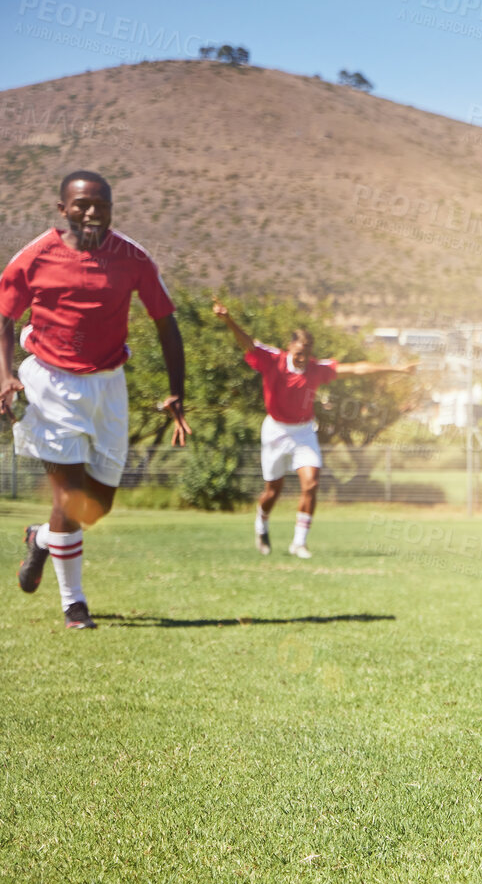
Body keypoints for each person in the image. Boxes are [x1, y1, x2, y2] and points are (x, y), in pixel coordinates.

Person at [2, 170, 189, 629]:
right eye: (81, 204)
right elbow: (4, 316)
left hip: (108, 384)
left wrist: (177, 391)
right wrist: (4, 374)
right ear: (63, 208)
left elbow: (166, 322)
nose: (90, 212)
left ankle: (42, 539)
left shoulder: (133, 258)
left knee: (96, 505)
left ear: (110, 208)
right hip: (50, 382)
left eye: (99, 204)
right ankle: (74, 605)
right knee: (69, 499)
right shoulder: (35, 257)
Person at [214, 299, 415, 558]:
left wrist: (397, 368)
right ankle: (261, 523)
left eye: (307, 353)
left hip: (304, 432)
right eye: (298, 352)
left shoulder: (315, 369)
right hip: (275, 430)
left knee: (311, 484)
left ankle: (299, 543)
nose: (302, 358)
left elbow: (356, 369)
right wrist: (229, 320)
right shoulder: (272, 359)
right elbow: (248, 343)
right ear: (290, 348)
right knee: (272, 492)